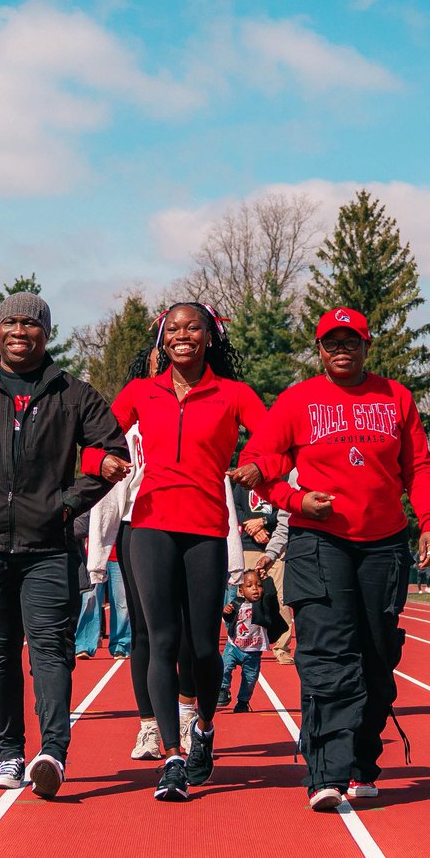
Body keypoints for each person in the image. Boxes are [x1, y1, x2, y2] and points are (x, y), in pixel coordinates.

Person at [239, 307, 430, 812]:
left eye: (351, 340)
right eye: (332, 342)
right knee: (328, 656)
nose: (341, 349)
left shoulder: (395, 397)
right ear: (320, 350)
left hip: (384, 544)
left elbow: (418, 466)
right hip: (318, 543)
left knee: (377, 658)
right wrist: (294, 501)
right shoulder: (297, 400)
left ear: (367, 345)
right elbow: (263, 464)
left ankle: (362, 762)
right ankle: (325, 774)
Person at [0, 291, 127, 798]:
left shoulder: (74, 394)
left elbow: (114, 451)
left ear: (46, 332)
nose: (20, 332)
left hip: (47, 550)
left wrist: (66, 504)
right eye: (10, 323)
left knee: (50, 653)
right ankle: (10, 754)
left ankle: (52, 752)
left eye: (30, 324)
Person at [86, 303, 277, 802]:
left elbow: (275, 439)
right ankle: (171, 757)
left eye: (193, 327)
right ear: (161, 340)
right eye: (173, 329)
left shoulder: (234, 394)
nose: (182, 336)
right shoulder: (140, 391)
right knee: (161, 641)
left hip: (207, 528)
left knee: (200, 647)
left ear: (210, 337)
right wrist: (100, 459)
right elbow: (94, 439)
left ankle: (205, 731)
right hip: (149, 526)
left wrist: (255, 464)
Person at [218, 568, 288, 711]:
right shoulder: (237, 603)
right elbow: (230, 620)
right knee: (224, 667)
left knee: (250, 679)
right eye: (249, 586)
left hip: (253, 651)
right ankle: (223, 690)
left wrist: (267, 580)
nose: (255, 589)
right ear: (241, 591)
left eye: (259, 585)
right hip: (234, 646)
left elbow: (271, 596)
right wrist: (226, 613)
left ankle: (243, 702)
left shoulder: (263, 605)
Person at [254, 505, 296, 663]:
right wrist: (271, 552)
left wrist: (263, 521)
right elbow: (286, 517)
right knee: (247, 600)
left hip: (282, 548)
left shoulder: (282, 481)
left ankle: (282, 647)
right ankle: (246, 644)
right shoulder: (243, 486)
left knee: (281, 598)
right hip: (254, 545)